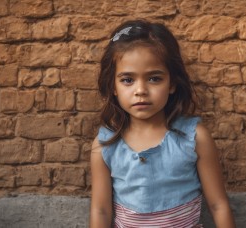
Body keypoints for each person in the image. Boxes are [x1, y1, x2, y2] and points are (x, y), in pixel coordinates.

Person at [90, 19, 235, 228]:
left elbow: (218, 205)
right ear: (113, 85)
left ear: (172, 83)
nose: (140, 90)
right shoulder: (106, 145)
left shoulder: (193, 137)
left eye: (154, 79)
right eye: (127, 80)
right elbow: (101, 211)